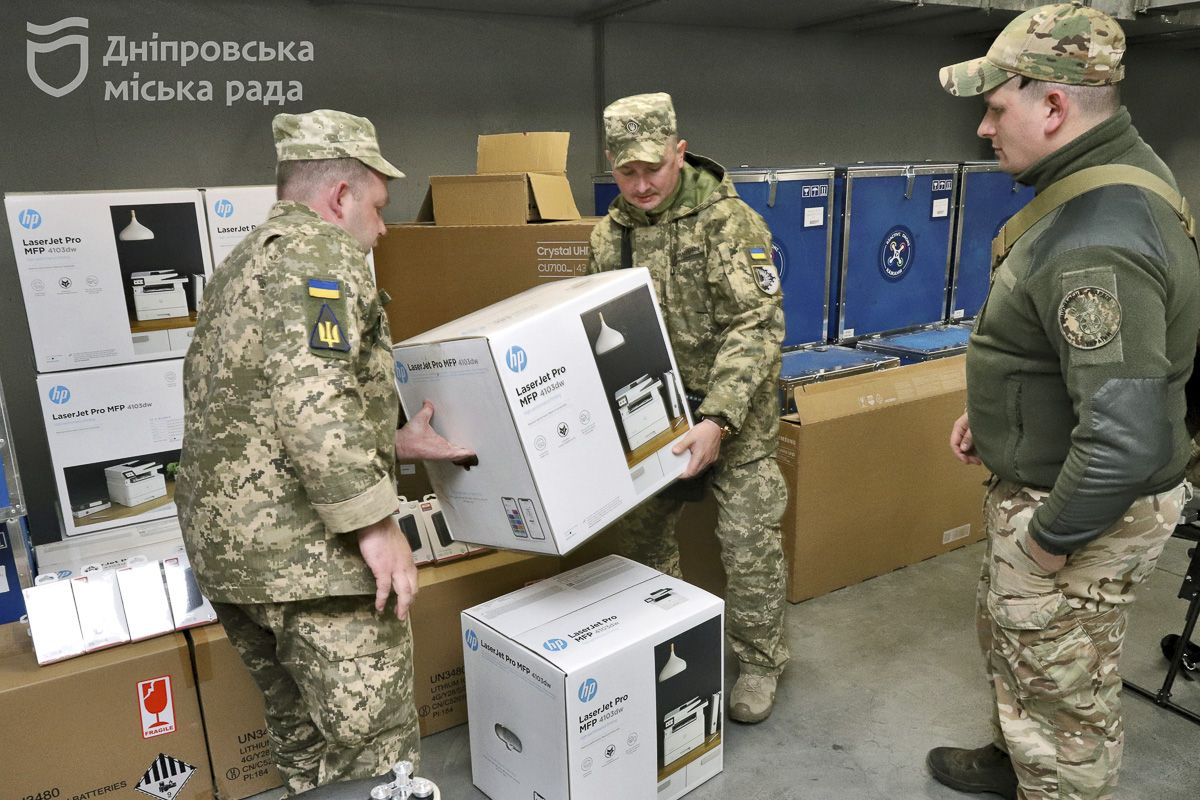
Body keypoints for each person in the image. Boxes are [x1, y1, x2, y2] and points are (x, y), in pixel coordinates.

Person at [928, 4, 1200, 799]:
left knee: (1065, 702)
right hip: (1055, 479)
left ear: (1053, 106)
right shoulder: (1110, 175)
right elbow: (1070, 359)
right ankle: (1015, 755)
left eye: (994, 107)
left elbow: (1122, 441)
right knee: (1022, 649)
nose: (984, 128)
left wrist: (1047, 545)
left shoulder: (1097, 240)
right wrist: (1001, 412)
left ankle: (1047, 774)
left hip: (1078, 507)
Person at [176, 109, 472, 795]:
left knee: (303, 744)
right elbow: (314, 397)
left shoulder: (244, 263)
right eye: (378, 206)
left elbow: (258, 410)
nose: (383, 227)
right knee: (376, 763)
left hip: (234, 563)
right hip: (312, 565)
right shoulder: (322, 257)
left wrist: (392, 442)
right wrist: (377, 525)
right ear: (340, 196)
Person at [587, 92, 789, 723]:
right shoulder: (608, 235)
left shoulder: (730, 224)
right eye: (627, 171)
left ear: (679, 152)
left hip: (737, 416)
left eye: (653, 167)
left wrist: (718, 418)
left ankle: (760, 662)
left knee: (748, 544)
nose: (641, 184)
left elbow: (757, 325)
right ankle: (663, 645)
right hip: (654, 416)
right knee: (643, 541)